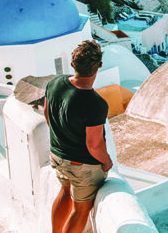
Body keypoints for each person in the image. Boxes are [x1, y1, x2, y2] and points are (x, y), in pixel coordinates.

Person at [44, 40, 113, 233]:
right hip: (81, 165)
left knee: (65, 192)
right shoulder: (94, 103)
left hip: (57, 156)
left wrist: (63, 136)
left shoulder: (54, 84)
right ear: (99, 66)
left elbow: (47, 114)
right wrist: (107, 162)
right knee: (80, 210)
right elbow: (94, 145)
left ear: (73, 64)